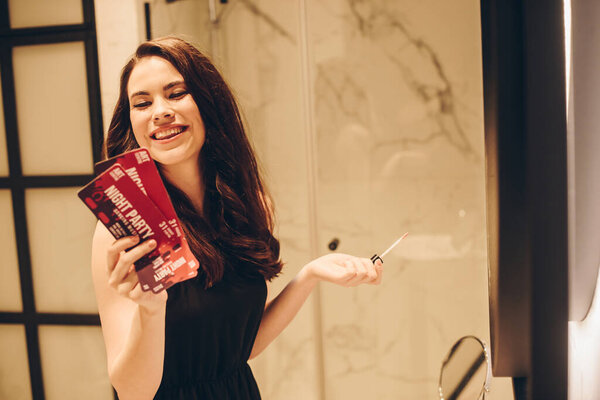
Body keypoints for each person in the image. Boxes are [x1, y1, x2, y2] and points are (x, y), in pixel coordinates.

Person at [91, 36, 383, 400]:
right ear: (131, 120)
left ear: (209, 103)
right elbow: (133, 391)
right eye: (142, 102)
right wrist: (150, 311)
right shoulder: (122, 231)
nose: (160, 111)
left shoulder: (248, 205)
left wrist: (309, 275)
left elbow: (238, 347)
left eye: (176, 93)